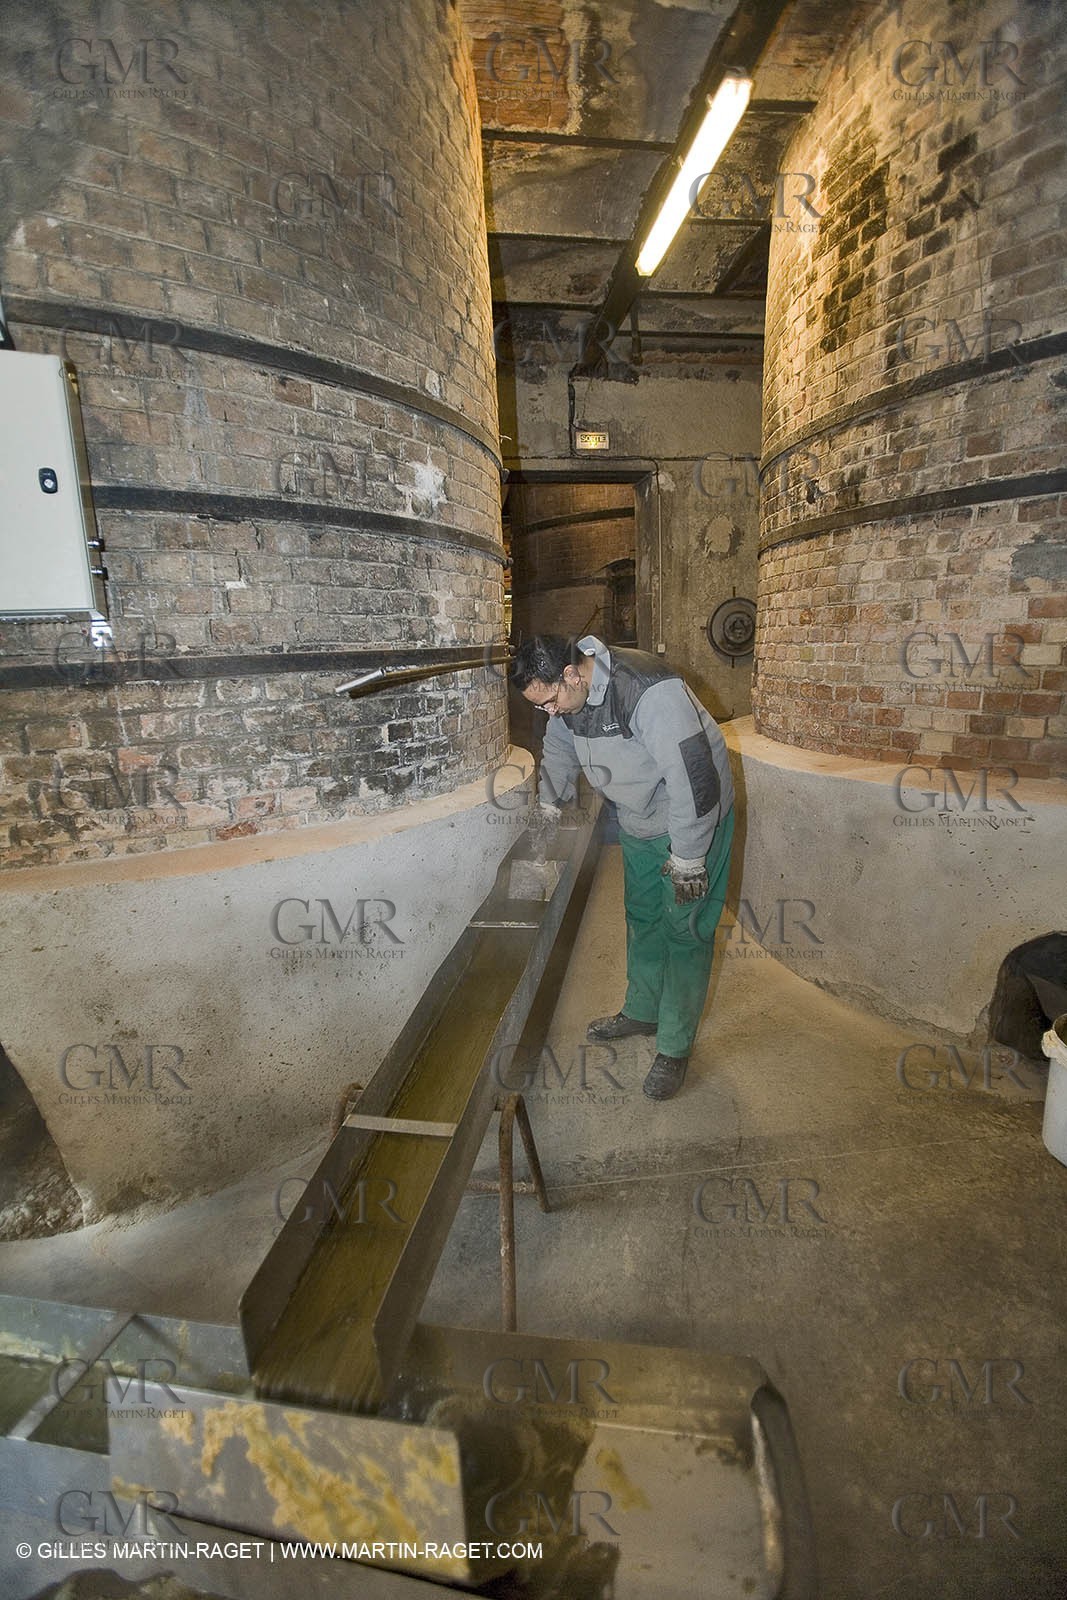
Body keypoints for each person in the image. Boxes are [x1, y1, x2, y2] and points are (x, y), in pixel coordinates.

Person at [511, 633, 735, 1100]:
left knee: (685, 930)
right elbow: (558, 751)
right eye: (540, 707)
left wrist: (690, 859)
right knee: (643, 917)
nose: (548, 712)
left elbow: (695, 778)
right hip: (639, 819)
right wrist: (547, 813)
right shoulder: (565, 701)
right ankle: (643, 1010)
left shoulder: (648, 690)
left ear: (572, 674)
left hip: (692, 820)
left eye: (550, 700)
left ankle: (674, 1047)